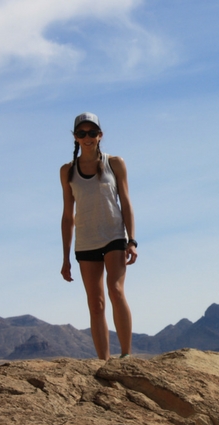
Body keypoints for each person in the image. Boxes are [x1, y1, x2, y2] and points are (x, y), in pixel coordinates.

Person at [60, 112, 138, 360]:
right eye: (81, 133)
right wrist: (65, 258)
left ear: (100, 135)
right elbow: (67, 215)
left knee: (115, 290)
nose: (87, 137)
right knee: (96, 304)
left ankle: (126, 357)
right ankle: (103, 364)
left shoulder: (115, 163)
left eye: (92, 133)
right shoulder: (67, 171)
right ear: (75, 137)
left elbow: (125, 202)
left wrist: (132, 240)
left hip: (114, 235)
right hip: (86, 242)